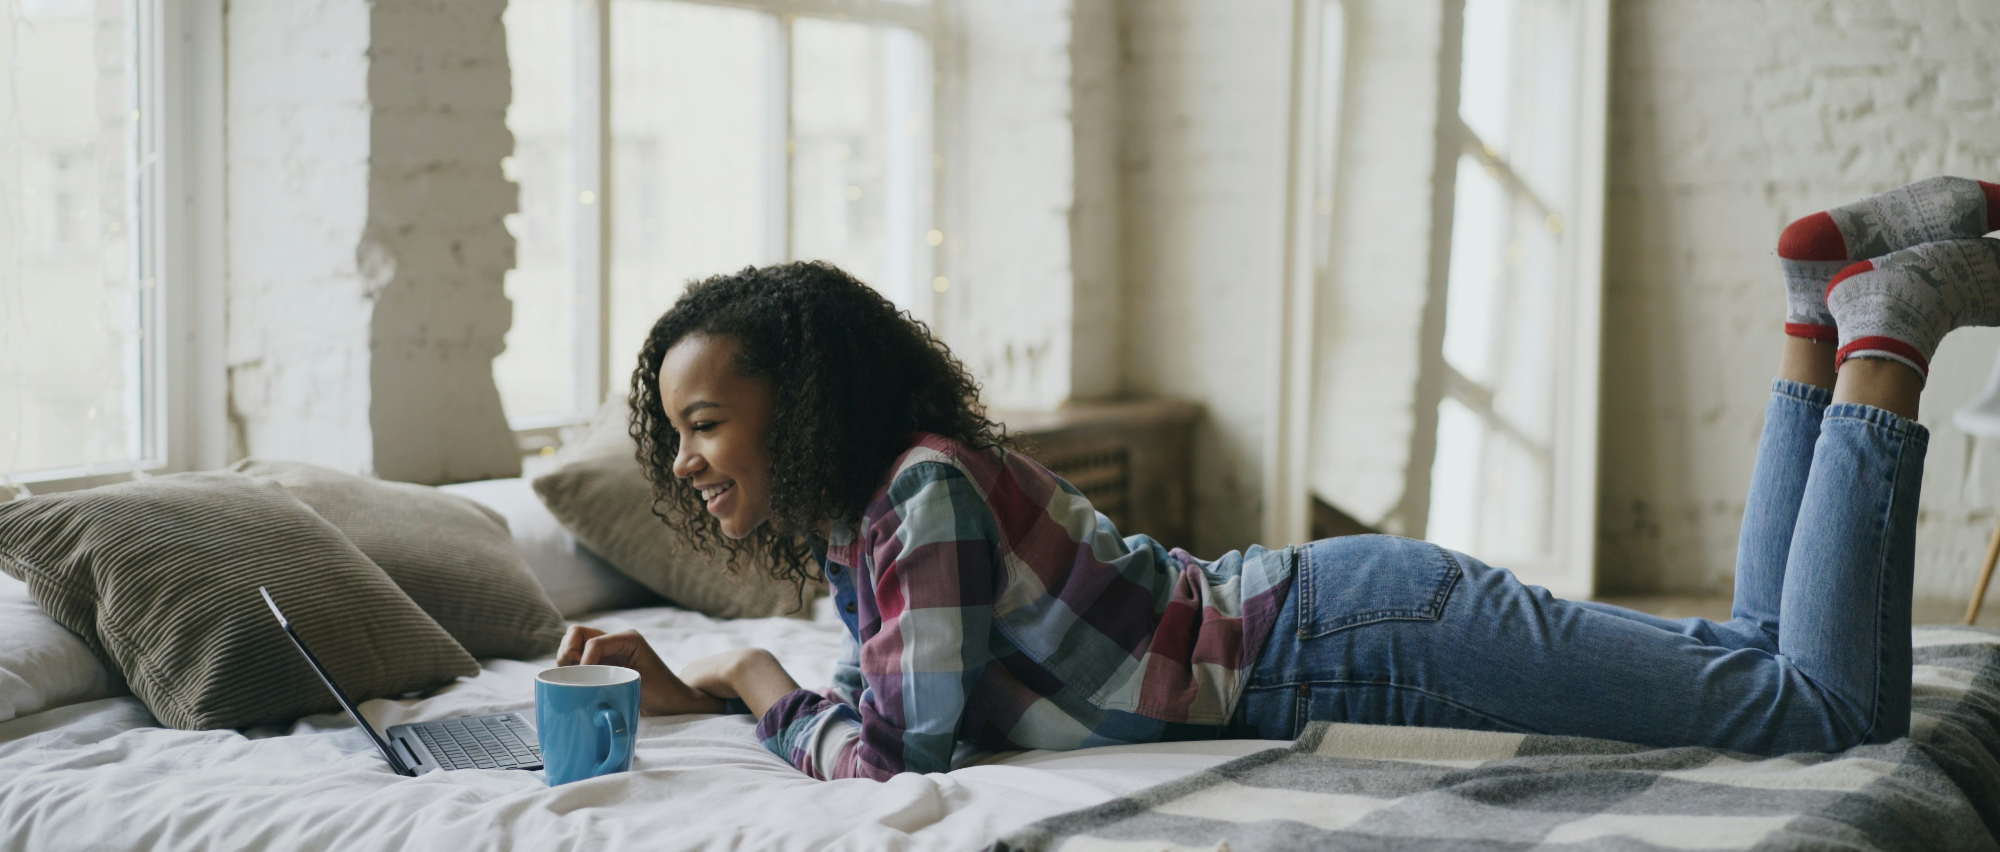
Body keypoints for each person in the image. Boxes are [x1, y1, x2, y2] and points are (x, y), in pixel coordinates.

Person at [557, 176, 2000, 781]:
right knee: (1753, 664)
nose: (685, 464)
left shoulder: (918, 494)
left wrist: (751, 680)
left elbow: (900, 756)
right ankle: (1819, 314)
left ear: (799, 407)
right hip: (1349, 626)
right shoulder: (877, 522)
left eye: (703, 426)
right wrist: (704, 686)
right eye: (674, 433)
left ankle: (1890, 337)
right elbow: (892, 695)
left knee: (1824, 717)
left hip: (1356, 647)